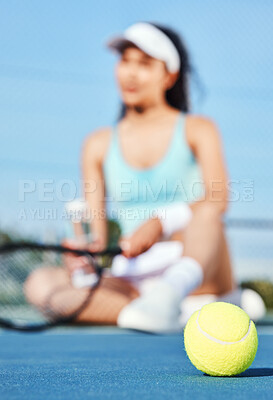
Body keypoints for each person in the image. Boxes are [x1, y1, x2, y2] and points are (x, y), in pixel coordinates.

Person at [26, 22, 265, 331]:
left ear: (169, 75)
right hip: (134, 280)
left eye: (145, 63)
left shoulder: (198, 128)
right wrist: (85, 255)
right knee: (41, 283)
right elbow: (97, 234)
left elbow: (219, 200)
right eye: (125, 61)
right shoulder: (96, 144)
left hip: (201, 269)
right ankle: (155, 314)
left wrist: (159, 222)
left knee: (207, 214)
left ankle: (173, 296)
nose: (130, 73)